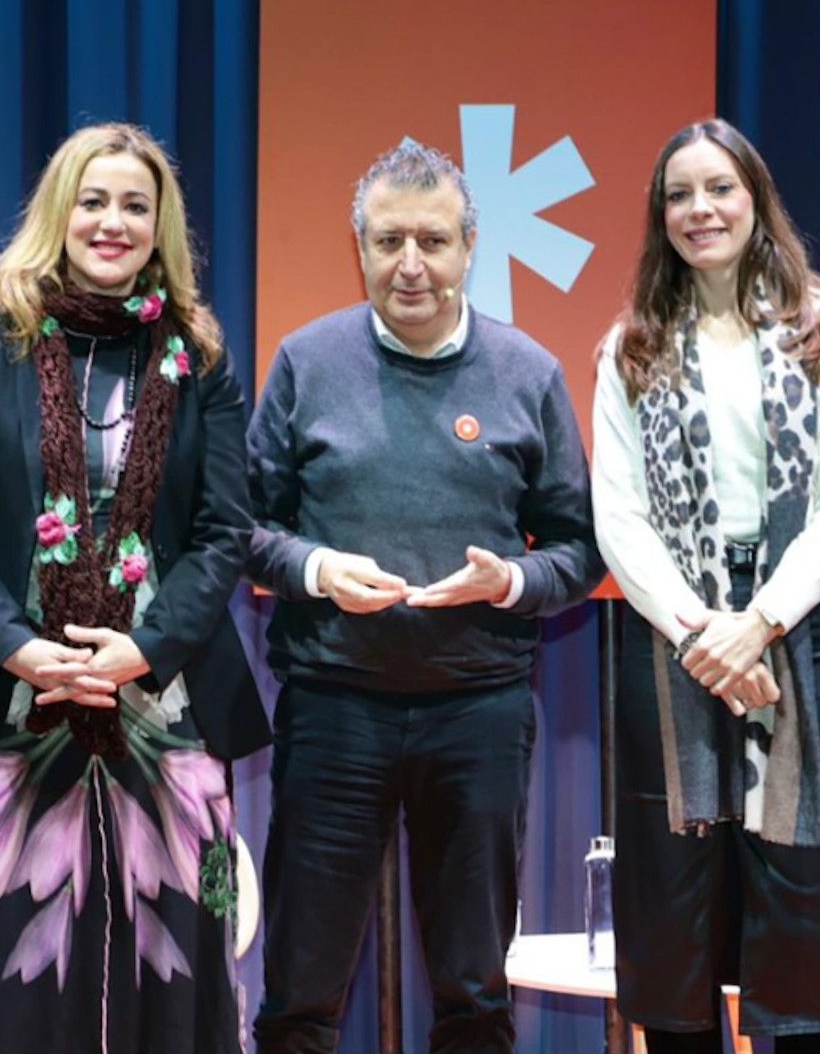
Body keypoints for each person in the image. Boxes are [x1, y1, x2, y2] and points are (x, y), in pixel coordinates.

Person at [247, 140, 604, 1053]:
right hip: (333, 709)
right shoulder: (304, 361)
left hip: (477, 714)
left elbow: (579, 546)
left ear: (470, 247)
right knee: (299, 991)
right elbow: (240, 527)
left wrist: (514, 581)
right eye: (388, 240)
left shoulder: (527, 373)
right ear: (359, 248)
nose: (411, 264)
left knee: (476, 995)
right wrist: (320, 571)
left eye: (433, 241)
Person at [0, 122, 270, 1054]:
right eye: (94, 201)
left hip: (162, 703)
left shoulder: (198, 354)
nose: (112, 222)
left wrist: (145, 649)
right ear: (58, 212)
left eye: (135, 206)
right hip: (12, 708)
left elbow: (223, 531)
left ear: (162, 228)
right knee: (15, 982)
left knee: (172, 975)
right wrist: (23, 648)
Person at [591, 119, 820, 1053]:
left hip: (800, 634)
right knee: (673, 920)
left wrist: (757, 624)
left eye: (719, 189)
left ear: (757, 201)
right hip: (674, 646)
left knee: (806, 913)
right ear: (658, 215)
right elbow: (619, 519)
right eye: (679, 195)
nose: (699, 210)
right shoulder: (629, 346)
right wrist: (700, 632)